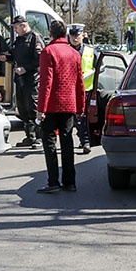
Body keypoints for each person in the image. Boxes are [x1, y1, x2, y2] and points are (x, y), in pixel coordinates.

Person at [36, 20, 84, 194]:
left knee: (49, 143)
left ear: (50, 33)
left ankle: (53, 181)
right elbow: (80, 83)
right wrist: (81, 107)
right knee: (67, 142)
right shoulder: (74, 53)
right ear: (65, 34)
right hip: (69, 105)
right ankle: (70, 182)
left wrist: (40, 109)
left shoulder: (48, 52)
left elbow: (46, 83)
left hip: (51, 105)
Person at [10, 15, 45, 148]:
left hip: (32, 79)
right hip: (20, 79)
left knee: (33, 108)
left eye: (16, 27)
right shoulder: (18, 40)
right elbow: (14, 54)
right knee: (23, 109)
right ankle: (29, 136)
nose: (15, 30)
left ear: (24, 26)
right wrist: (6, 56)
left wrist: (26, 68)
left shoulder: (35, 38)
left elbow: (40, 60)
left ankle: (39, 137)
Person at [68, 24, 96, 155]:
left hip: (87, 88)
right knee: (75, 117)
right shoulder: (66, 50)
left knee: (83, 116)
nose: (75, 38)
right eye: (72, 36)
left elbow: (100, 67)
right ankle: (83, 139)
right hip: (70, 88)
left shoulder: (91, 51)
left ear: (83, 35)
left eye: (77, 35)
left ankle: (85, 141)